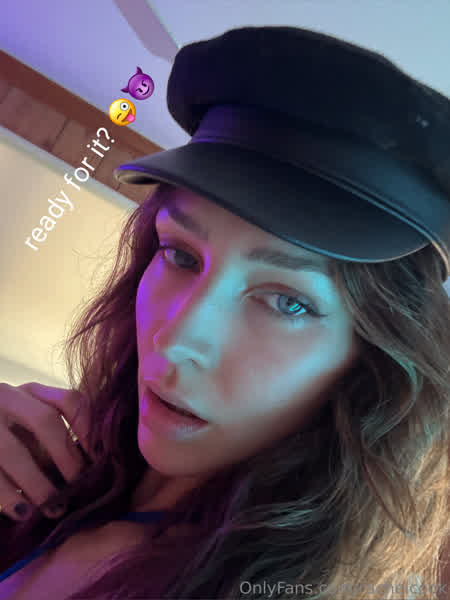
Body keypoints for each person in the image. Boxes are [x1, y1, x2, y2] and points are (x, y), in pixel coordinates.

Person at [0, 24, 449, 600]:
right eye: (180, 255)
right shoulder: (62, 478)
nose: (176, 338)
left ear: (369, 364)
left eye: (288, 301)